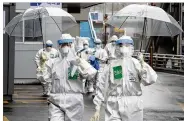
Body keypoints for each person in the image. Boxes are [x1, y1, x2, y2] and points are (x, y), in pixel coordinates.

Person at [91, 36, 157, 121]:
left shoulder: (136, 63)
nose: (123, 48)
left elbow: (150, 80)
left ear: (131, 47)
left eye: (127, 45)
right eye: (121, 45)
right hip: (114, 104)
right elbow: (102, 85)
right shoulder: (113, 65)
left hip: (133, 105)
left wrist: (143, 63)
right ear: (117, 47)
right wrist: (97, 107)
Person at [39, 34, 87, 121]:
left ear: (71, 45)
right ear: (59, 46)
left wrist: (79, 62)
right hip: (56, 101)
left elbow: (90, 74)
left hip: (74, 101)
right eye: (63, 44)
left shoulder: (76, 62)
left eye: (67, 44)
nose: (65, 47)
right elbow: (43, 78)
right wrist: (42, 65)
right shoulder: (52, 62)